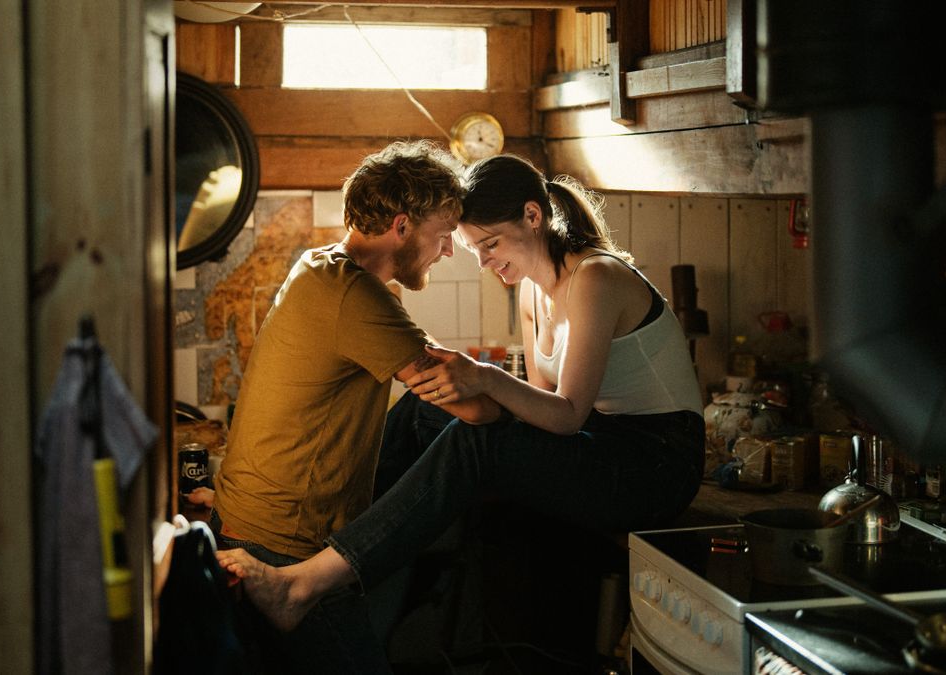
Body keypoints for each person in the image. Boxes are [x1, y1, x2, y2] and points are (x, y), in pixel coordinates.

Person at [216, 153, 705, 647]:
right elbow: (538, 404)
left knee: (475, 444)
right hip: (599, 443)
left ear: (533, 217)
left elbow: (565, 415)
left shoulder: (596, 277)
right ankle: (340, 542)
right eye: (477, 250)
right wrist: (468, 388)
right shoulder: (532, 292)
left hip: (655, 464)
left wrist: (483, 379)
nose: (487, 262)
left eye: (490, 244)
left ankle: (307, 582)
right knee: (426, 410)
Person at [209, 140, 501, 674]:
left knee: (418, 414)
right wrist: (544, 408)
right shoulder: (355, 295)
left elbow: (429, 374)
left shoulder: (323, 267)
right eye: (443, 235)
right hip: (284, 543)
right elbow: (477, 412)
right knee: (478, 435)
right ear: (402, 226)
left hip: (254, 522)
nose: (448, 251)